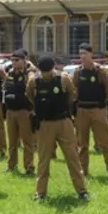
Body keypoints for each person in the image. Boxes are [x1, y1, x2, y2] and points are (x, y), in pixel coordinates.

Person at [26, 56, 90, 201]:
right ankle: (40, 192)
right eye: (43, 72)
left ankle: (82, 190)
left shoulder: (63, 79)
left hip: (63, 122)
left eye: (48, 71)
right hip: (44, 124)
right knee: (43, 159)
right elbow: (30, 97)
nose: (45, 74)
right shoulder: (33, 82)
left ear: (53, 68)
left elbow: (71, 96)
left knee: (72, 157)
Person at [73, 43, 108, 180]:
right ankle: (83, 170)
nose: (82, 56)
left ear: (91, 54)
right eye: (80, 54)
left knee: (104, 143)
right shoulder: (78, 72)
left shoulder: (101, 71)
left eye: (85, 53)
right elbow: (74, 90)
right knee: (82, 144)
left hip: (98, 110)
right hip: (82, 110)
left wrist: (101, 102)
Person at [3, 50, 36, 175]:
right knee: (12, 142)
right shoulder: (9, 74)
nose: (14, 62)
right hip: (11, 111)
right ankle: (11, 165)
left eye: (16, 60)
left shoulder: (29, 74)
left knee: (27, 141)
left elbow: (33, 88)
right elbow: (5, 89)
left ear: (24, 60)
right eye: (12, 60)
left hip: (24, 111)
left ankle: (29, 166)